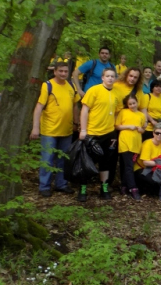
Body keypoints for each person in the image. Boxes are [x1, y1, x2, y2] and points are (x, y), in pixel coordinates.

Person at [30, 61, 79, 197]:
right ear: (55, 71)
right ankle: (44, 186)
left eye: (65, 71)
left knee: (63, 158)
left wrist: (76, 122)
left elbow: (75, 105)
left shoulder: (71, 86)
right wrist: (35, 127)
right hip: (49, 130)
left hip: (67, 130)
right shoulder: (48, 85)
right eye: (60, 71)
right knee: (47, 158)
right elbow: (39, 107)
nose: (63, 74)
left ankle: (61, 184)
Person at [78, 67, 118, 202]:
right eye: (107, 76)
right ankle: (83, 188)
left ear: (115, 79)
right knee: (87, 162)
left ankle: (104, 188)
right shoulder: (94, 90)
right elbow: (84, 110)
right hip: (92, 132)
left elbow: (117, 112)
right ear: (102, 77)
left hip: (109, 133)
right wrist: (83, 130)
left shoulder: (117, 93)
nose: (110, 78)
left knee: (106, 162)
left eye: (113, 76)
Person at [115, 95, 146, 200]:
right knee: (128, 166)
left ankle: (124, 186)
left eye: (134, 103)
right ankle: (133, 188)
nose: (132, 105)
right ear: (127, 105)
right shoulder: (123, 112)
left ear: (137, 102)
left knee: (129, 166)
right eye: (130, 104)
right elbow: (117, 126)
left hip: (136, 143)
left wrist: (140, 129)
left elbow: (143, 129)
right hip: (125, 142)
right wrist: (128, 126)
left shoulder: (141, 115)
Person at [136, 122, 161, 201]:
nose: (159, 135)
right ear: (153, 133)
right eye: (157, 133)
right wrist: (159, 164)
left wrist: (160, 164)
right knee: (153, 180)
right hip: (142, 168)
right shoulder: (148, 144)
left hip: (156, 168)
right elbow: (145, 162)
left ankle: (159, 191)